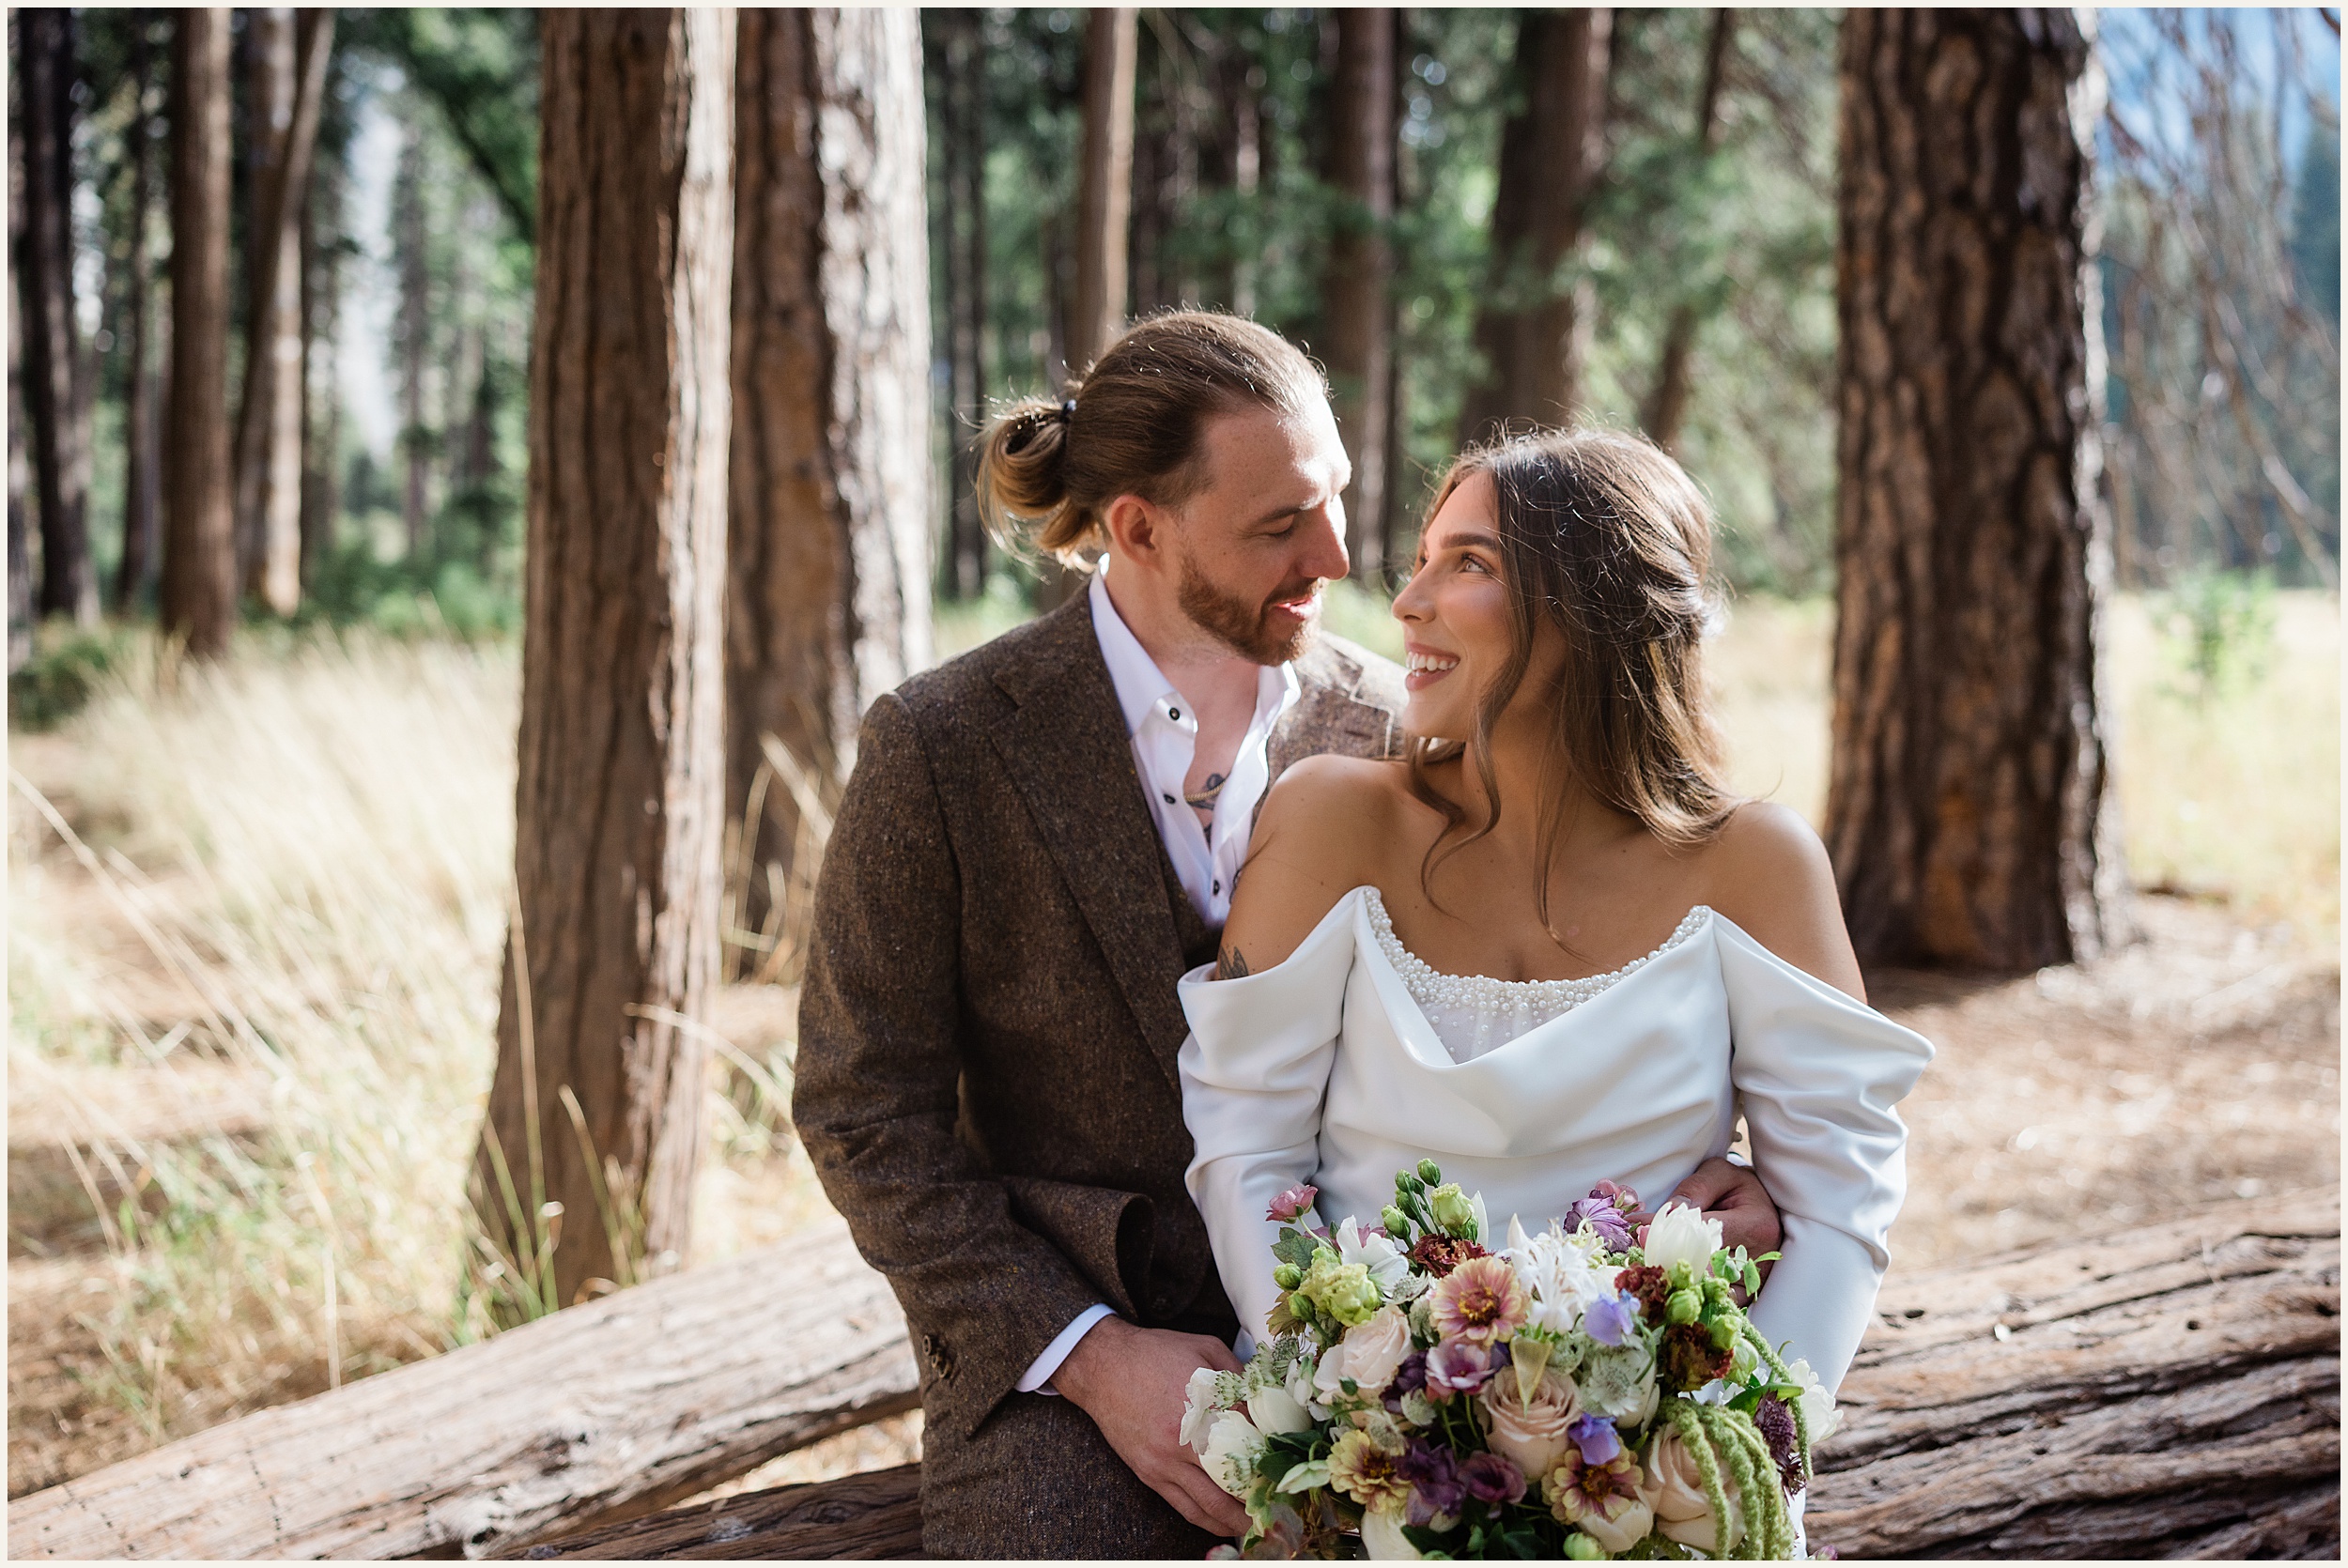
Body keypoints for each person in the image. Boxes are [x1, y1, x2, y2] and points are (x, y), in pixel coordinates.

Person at [794, 313, 1783, 1559]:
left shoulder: (1412, 723)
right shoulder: (941, 749)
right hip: (1079, 1334)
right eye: (1279, 525)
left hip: (1420, 1338)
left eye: (1338, 501)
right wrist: (1091, 1357)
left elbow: (1575, 974)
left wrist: (1708, 1183)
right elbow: (861, 1112)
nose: (1340, 553)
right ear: (1139, 528)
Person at [1181, 427, 1936, 1424]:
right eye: (1419, 561)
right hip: (1350, 1433)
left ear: (1594, 608)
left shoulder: (1757, 865)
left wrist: (1728, 1460)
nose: (1407, 604)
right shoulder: (1331, 820)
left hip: (1661, 1459)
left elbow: (1840, 1209)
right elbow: (1246, 1150)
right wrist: (1355, 1420)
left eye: (1468, 563)